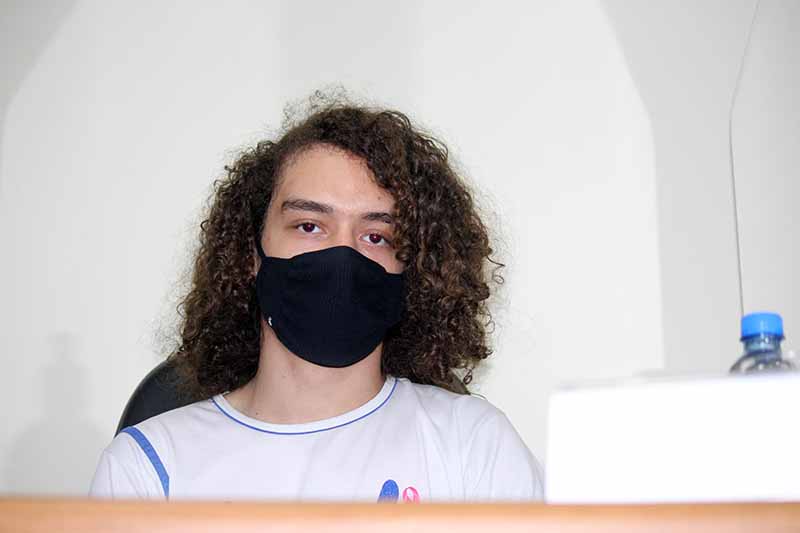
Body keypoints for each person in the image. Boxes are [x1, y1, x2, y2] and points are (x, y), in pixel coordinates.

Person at [89, 94, 543, 502]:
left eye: (375, 236)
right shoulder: (149, 467)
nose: (342, 256)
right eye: (309, 226)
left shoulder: (474, 446)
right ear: (251, 254)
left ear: (415, 268)